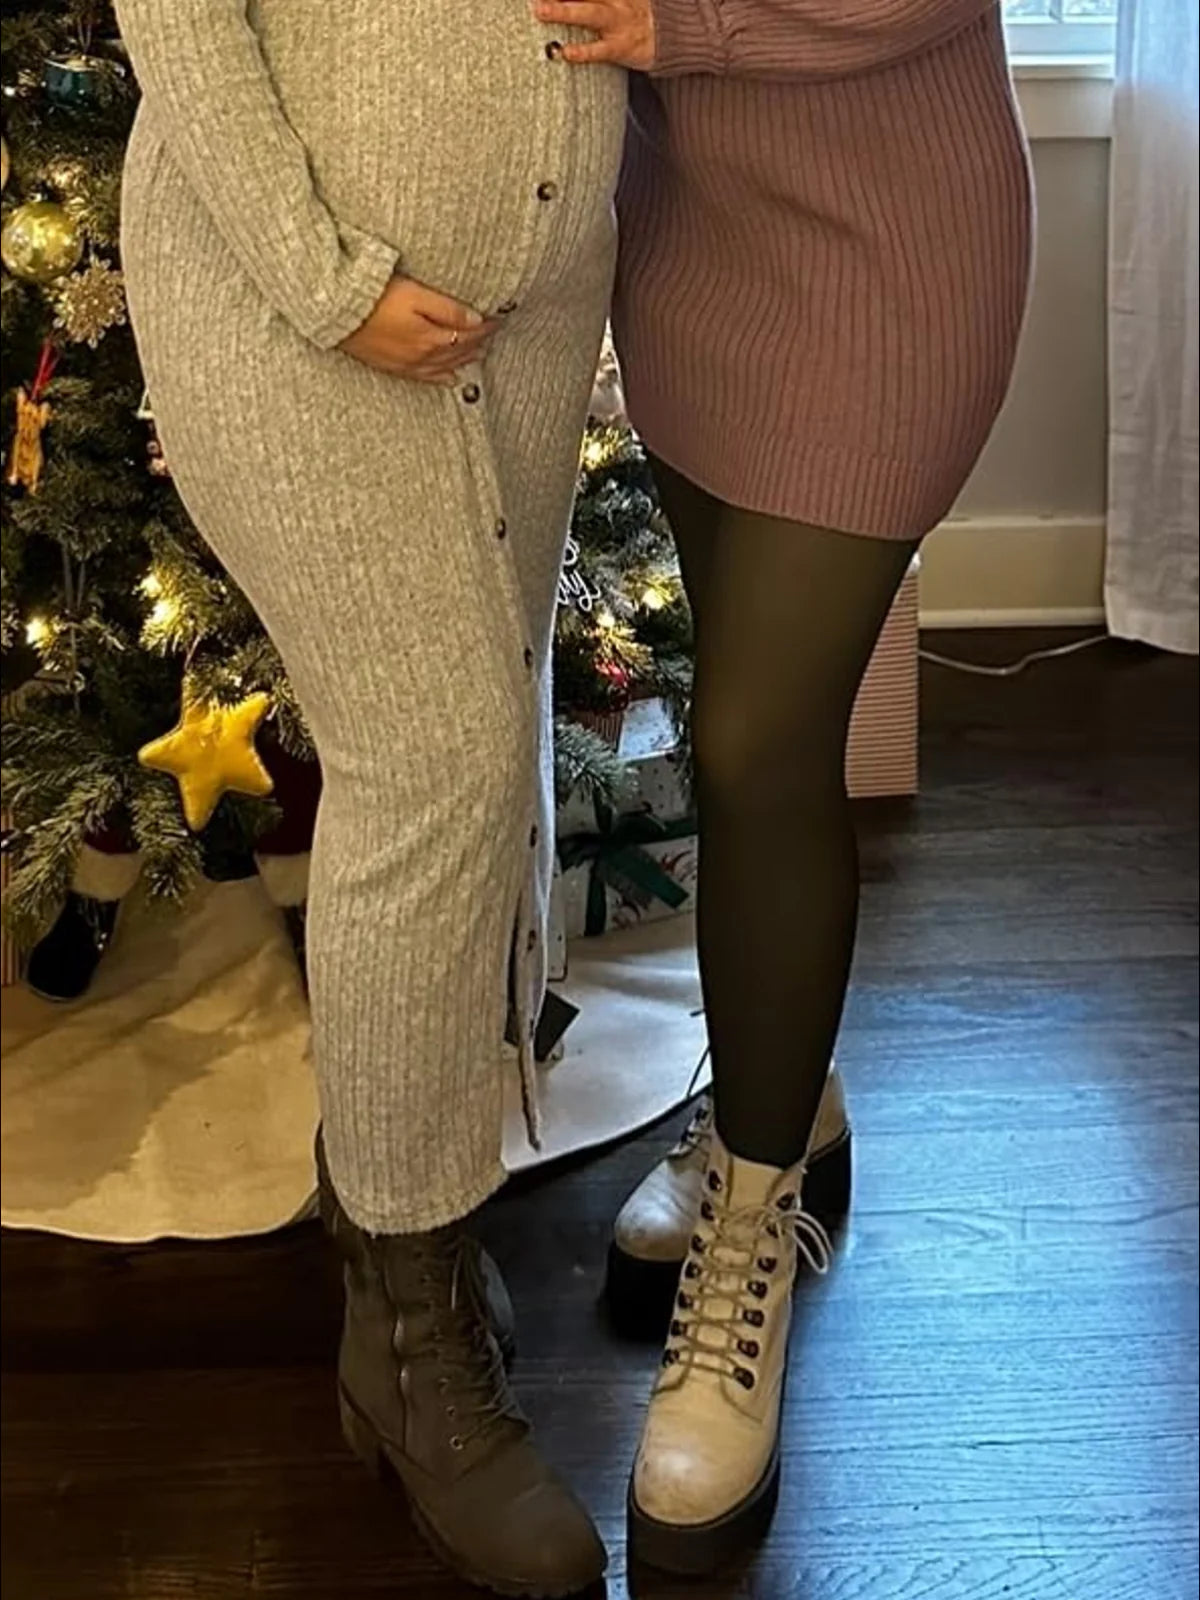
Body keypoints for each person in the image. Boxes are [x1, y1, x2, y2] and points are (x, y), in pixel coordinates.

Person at [114, 4, 627, 1594]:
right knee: (438, 767)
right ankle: (408, 1354)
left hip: (536, 306)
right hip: (303, 307)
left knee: (488, 729)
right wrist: (324, 276)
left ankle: (411, 1240)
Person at [541, 0, 1033, 1575]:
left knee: (758, 746)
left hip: (891, 260)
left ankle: (753, 1226)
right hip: (693, 251)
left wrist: (691, 22)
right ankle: (783, 1099)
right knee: (746, 730)